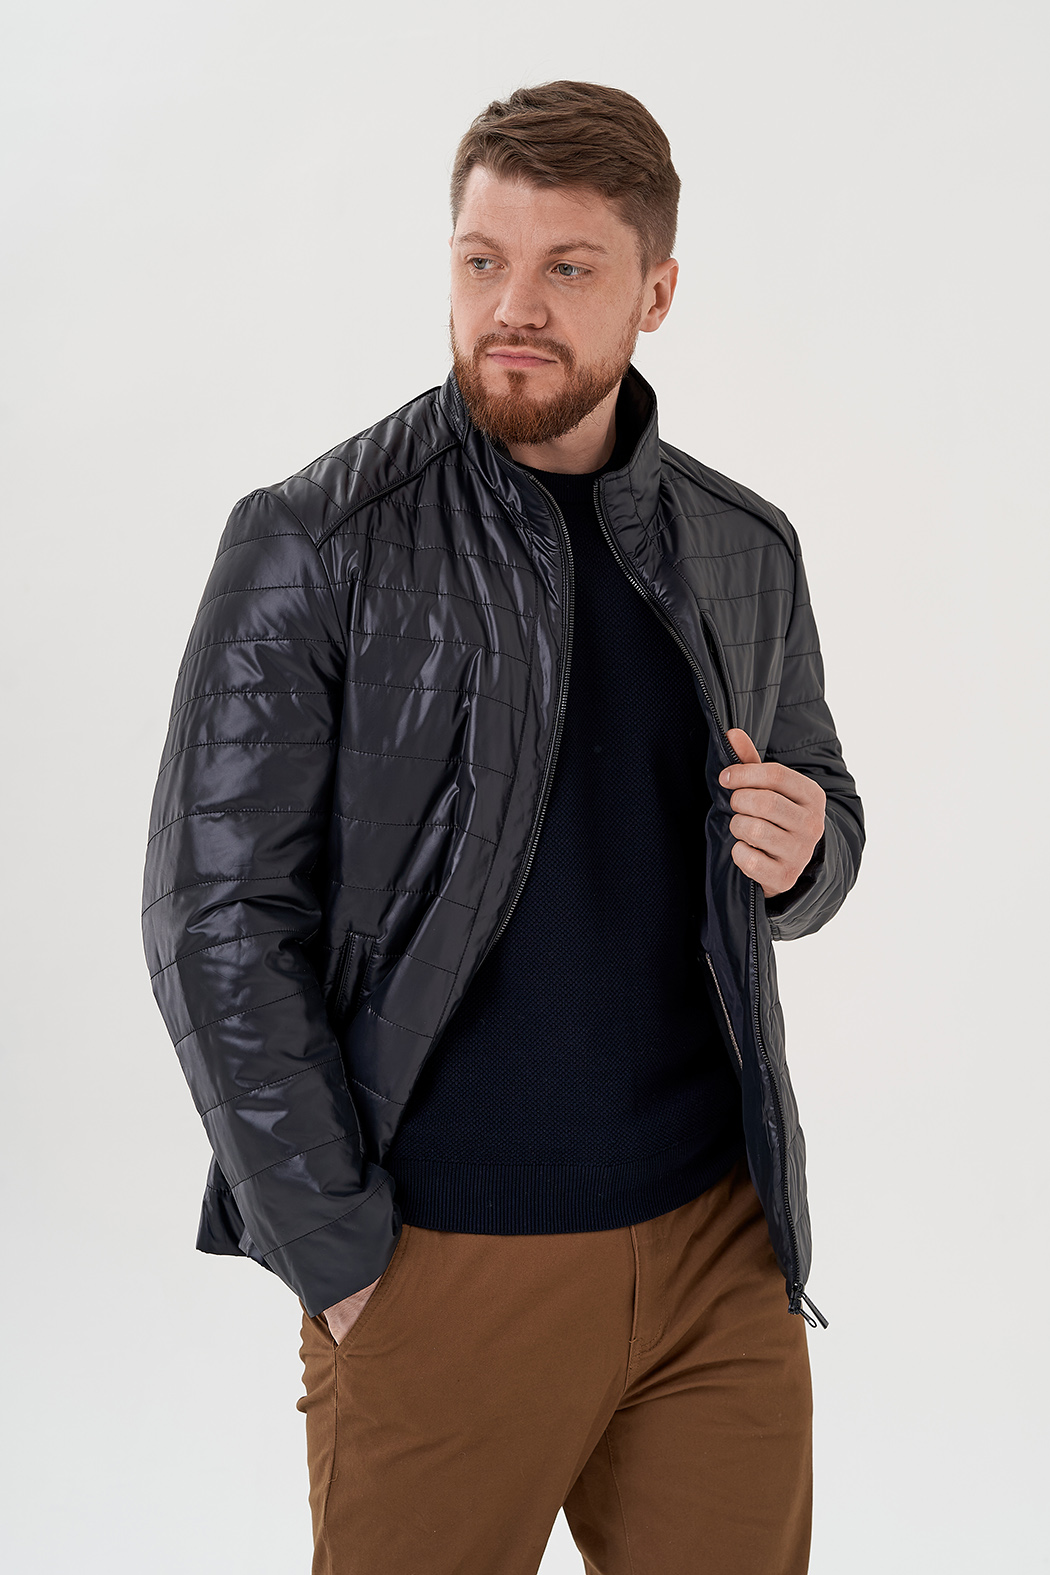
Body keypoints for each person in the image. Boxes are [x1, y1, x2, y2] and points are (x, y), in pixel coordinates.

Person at [142, 80, 864, 1575]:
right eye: (482, 260)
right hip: (442, 1261)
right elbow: (215, 924)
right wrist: (342, 1263)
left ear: (655, 293)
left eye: (566, 267)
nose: (511, 307)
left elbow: (819, 810)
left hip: (718, 1258)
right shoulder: (316, 540)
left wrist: (809, 853)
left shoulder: (742, 545)